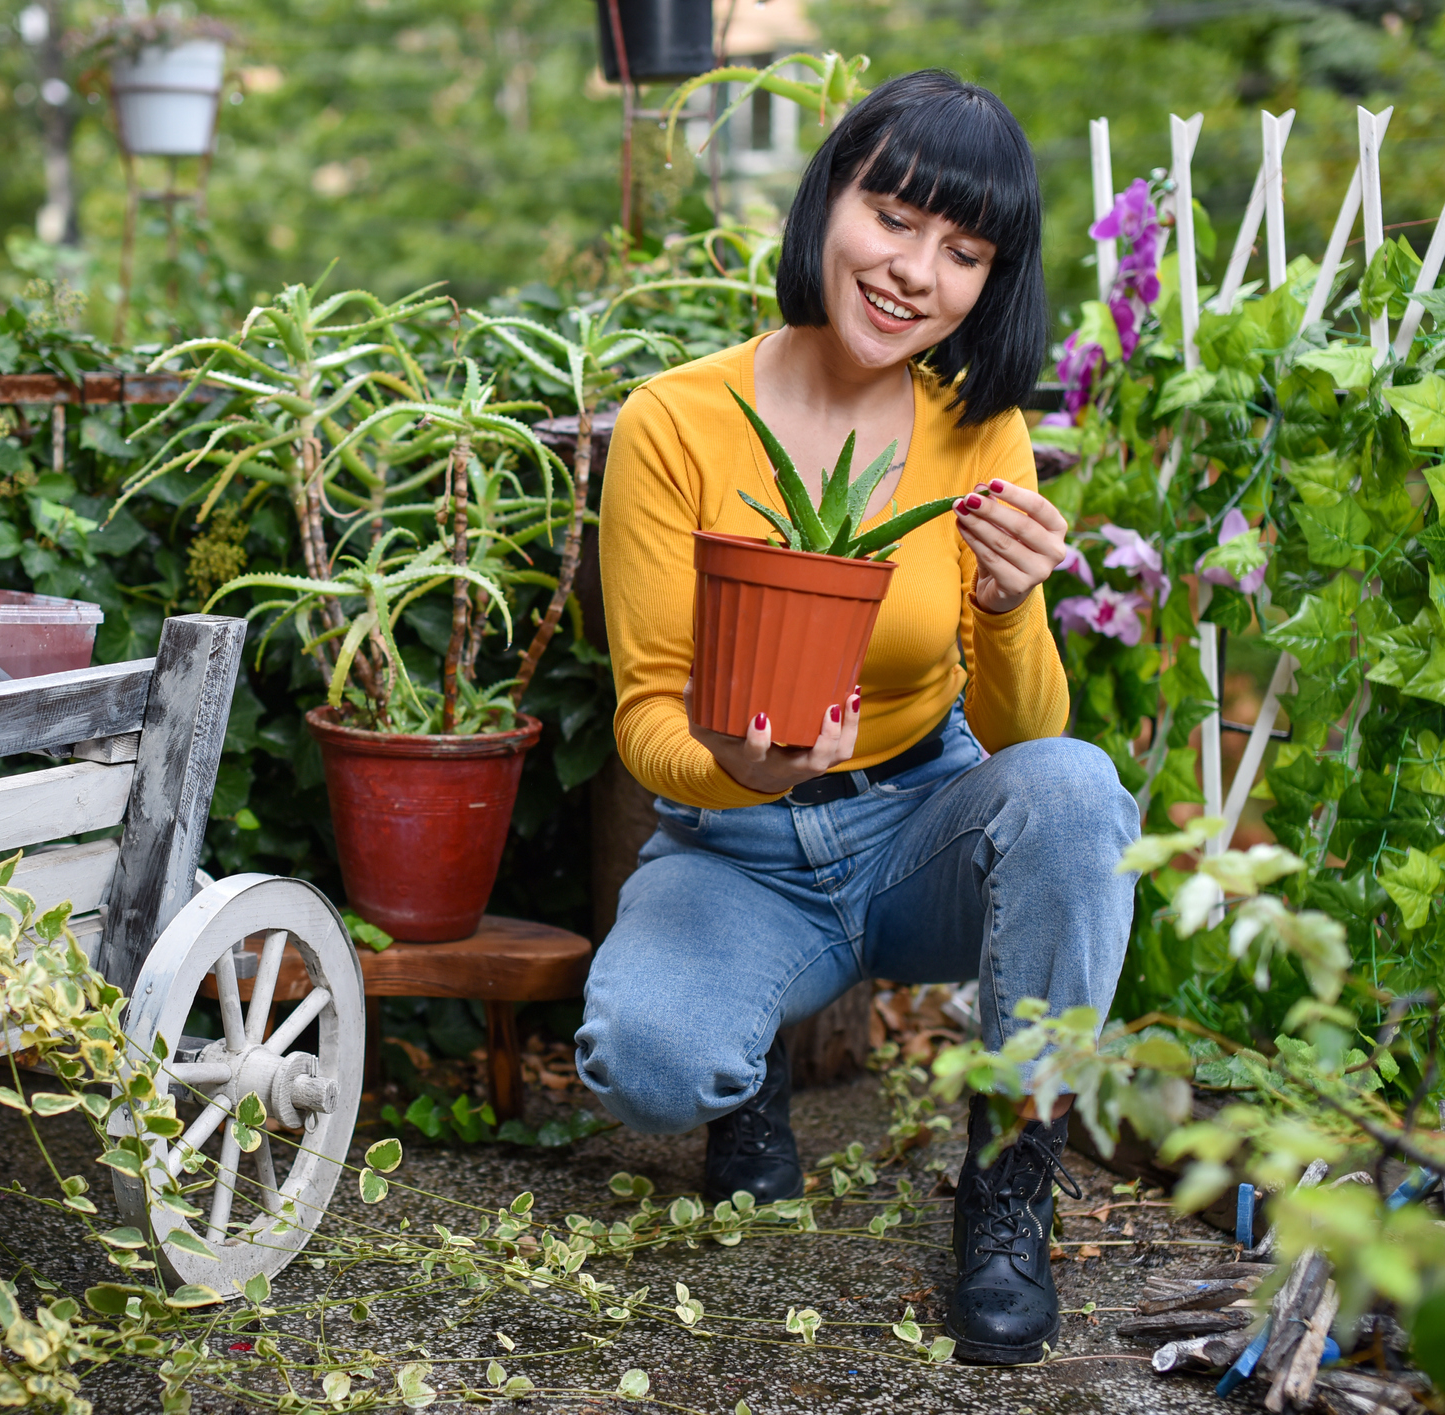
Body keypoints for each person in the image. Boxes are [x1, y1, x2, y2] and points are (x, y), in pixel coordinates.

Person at [575, 69, 1139, 1367]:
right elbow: (647, 716)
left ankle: (1008, 1186)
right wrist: (742, 762)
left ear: (991, 282)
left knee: (1080, 791)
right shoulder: (677, 422)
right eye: (892, 215)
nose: (913, 271)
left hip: (921, 820)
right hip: (738, 849)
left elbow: (1029, 740)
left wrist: (1008, 610)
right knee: (644, 1065)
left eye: (964, 250)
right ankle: (749, 1077)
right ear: (828, 196)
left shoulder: (976, 430)